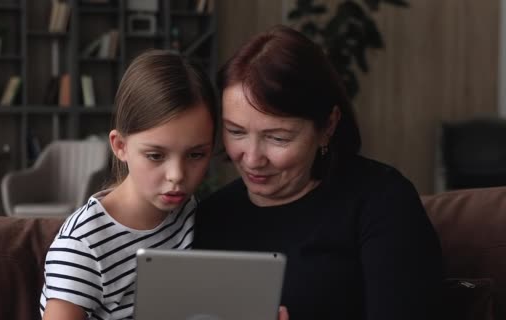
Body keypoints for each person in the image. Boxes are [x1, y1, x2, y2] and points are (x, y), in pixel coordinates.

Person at [193, 25, 443, 320]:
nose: (252, 158)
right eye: (236, 132)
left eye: (278, 138)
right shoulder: (211, 217)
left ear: (328, 126)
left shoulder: (383, 202)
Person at [39, 49, 218, 320]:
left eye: (196, 155)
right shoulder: (82, 244)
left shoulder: (187, 212)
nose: (177, 175)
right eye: (156, 155)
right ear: (120, 146)